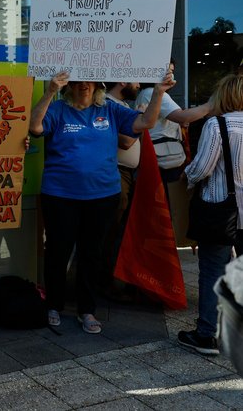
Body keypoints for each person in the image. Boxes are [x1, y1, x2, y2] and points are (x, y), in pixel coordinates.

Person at [29, 71, 174, 334]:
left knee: (91, 254)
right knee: (57, 252)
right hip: (60, 195)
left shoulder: (110, 109)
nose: (83, 84)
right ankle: (53, 304)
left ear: (97, 83)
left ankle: (87, 310)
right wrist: (49, 91)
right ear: (69, 85)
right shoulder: (58, 108)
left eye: (88, 79)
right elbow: (35, 128)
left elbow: (145, 123)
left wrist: (159, 92)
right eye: (76, 80)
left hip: (102, 196)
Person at [177, 74, 243, 355]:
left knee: (213, 271)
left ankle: (207, 335)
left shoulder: (217, 125)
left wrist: (186, 177)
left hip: (221, 211)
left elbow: (202, 168)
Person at [136, 59, 211, 191]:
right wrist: (212, 105)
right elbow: (183, 118)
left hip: (158, 156)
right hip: (165, 159)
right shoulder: (153, 93)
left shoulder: (146, 92)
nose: (171, 75)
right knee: (172, 201)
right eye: (168, 72)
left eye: (172, 72)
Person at [100, 81, 142, 298]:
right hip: (117, 173)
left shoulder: (123, 106)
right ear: (123, 81)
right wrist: (141, 124)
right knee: (111, 230)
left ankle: (115, 281)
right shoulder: (107, 104)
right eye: (135, 81)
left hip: (127, 174)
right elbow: (125, 141)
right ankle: (108, 283)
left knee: (120, 230)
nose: (138, 85)